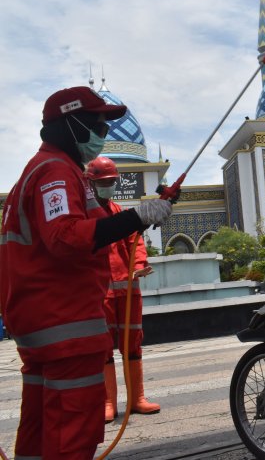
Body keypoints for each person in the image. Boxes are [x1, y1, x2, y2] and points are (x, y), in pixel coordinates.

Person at [0, 86, 173, 459]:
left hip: (45, 325)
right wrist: (140, 214)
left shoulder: (53, 173)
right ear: (70, 123)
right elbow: (65, 238)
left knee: (40, 428)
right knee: (73, 433)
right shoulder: (55, 173)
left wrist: (143, 214)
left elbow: (99, 230)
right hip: (65, 324)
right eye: (97, 125)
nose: (103, 134)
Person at [86, 156, 160, 423]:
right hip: (101, 294)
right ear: (91, 184)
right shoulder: (88, 218)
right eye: (104, 183)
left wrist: (139, 265)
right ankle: (107, 402)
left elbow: (135, 242)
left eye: (112, 182)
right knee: (104, 347)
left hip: (128, 291)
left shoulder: (122, 214)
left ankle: (137, 398)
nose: (109, 187)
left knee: (133, 344)